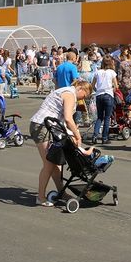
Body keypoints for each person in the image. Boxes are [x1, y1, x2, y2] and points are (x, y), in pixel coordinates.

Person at [29, 78, 93, 206]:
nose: (83, 99)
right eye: (85, 95)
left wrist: (71, 134)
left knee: (56, 162)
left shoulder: (66, 91)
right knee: (49, 163)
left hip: (45, 126)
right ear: (81, 88)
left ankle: (61, 192)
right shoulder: (70, 94)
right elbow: (68, 119)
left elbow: (63, 121)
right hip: (42, 126)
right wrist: (78, 136)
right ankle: (40, 197)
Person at [91, 56, 118, 145]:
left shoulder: (98, 72)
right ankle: (104, 137)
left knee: (99, 117)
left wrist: (97, 90)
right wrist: (112, 90)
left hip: (99, 95)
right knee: (107, 117)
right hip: (108, 94)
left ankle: (95, 135)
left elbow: (92, 85)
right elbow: (116, 86)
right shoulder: (112, 72)